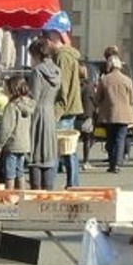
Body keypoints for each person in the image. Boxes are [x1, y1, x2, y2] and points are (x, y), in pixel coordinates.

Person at [48, 29, 83, 186]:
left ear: (53, 40)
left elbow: (63, 86)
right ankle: (72, 183)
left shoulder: (62, 57)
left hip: (65, 109)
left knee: (59, 148)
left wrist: (58, 111)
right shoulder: (67, 56)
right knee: (68, 148)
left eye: (47, 41)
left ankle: (54, 184)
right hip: (70, 107)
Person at [94, 53, 133, 173]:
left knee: (111, 139)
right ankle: (118, 163)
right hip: (124, 114)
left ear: (109, 65)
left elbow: (97, 98)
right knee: (120, 139)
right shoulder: (127, 80)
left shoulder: (104, 80)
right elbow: (132, 99)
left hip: (109, 114)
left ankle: (112, 163)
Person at [27, 38, 61, 189]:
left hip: (38, 112)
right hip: (50, 113)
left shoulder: (37, 71)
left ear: (36, 54)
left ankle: (36, 192)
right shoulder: (57, 70)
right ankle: (49, 190)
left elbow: (34, 96)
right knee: (48, 154)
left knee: (35, 155)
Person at [0, 76, 35, 188]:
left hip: (12, 144)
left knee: (9, 173)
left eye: (6, 87)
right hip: (24, 144)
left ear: (12, 89)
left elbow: (6, 128)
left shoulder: (11, 106)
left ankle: (9, 196)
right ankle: (22, 196)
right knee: (20, 172)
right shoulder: (29, 104)